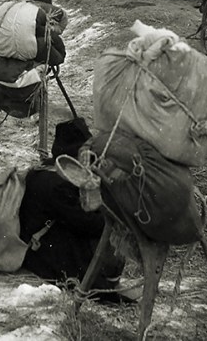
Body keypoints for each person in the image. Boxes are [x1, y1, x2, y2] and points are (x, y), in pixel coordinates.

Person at [16, 118, 128, 296]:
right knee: (110, 229)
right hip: (46, 257)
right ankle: (106, 280)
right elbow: (89, 224)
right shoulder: (59, 185)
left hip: (35, 249)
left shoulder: (41, 170)